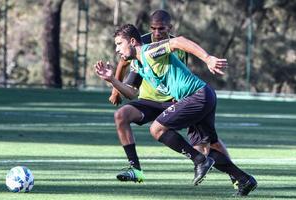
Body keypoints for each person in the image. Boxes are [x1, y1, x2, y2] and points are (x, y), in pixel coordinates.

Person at [95, 24, 257, 196]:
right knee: (204, 149)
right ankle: (244, 179)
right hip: (203, 95)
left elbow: (178, 41)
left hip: (197, 96)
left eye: (119, 43)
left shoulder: (149, 52)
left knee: (157, 129)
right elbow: (132, 94)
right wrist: (112, 79)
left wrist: (208, 58)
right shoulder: (137, 64)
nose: (117, 49)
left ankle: (200, 161)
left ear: (132, 41)